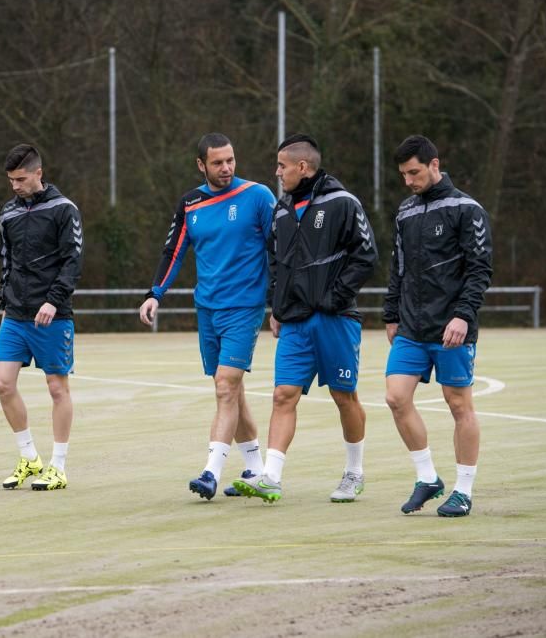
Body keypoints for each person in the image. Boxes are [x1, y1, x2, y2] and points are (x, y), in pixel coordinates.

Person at [233, 134, 377, 504]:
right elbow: (276, 262)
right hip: (294, 321)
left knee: (344, 396)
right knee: (283, 395)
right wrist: (277, 306)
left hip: (335, 319)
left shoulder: (342, 202)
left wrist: (333, 297)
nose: (277, 172)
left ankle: (354, 473)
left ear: (302, 166)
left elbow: (366, 256)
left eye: (281, 166)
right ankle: (271, 477)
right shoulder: (281, 211)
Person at [139, 133, 276, 500]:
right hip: (208, 310)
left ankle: (210, 473)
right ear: (201, 165)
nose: (226, 168)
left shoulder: (259, 196)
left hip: (245, 308)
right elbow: (174, 251)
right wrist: (155, 294)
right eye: (217, 162)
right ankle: (255, 469)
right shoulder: (191, 203)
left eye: (230, 160)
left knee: (225, 385)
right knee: (233, 389)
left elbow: (279, 252)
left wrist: (279, 302)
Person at [384, 135, 493, 518]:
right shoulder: (405, 212)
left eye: (413, 172)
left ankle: (463, 490)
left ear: (434, 165)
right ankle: (428, 478)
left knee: (459, 404)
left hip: (453, 328)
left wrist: (463, 315)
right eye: (403, 174)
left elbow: (479, 270)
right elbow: (397, 267)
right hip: (412, 327)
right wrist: (391, 315)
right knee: (396, 397)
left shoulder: (467, 209)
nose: (408, 181)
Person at [0, 144, 83, 491]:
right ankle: (29, 457)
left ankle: (58, 466)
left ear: (38, 174)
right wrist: (5, 305)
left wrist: (53, 300)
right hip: (15, 314)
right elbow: (5, 262)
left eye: (20, 179)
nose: (15, 186)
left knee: (57, 388)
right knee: (2, 383)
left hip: (53, 315)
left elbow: (72, 261)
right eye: (10, 180)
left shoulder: (64, 210)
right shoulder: (7, 214)